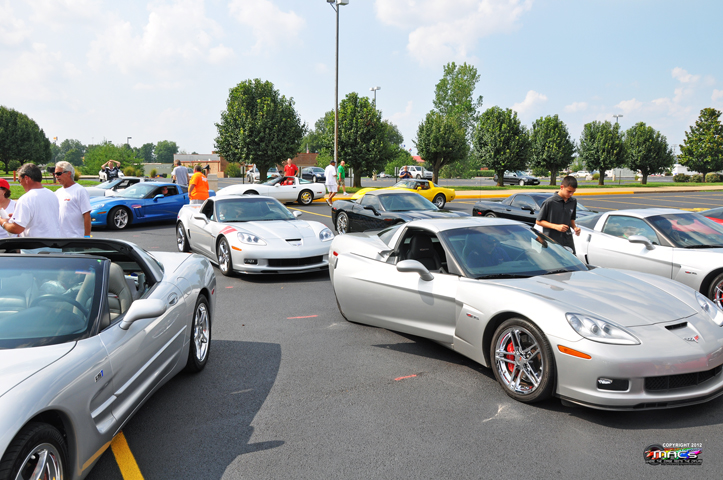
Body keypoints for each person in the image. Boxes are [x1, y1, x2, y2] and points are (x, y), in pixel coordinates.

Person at [0, 163, 61, 237]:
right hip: (54, 242)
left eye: (19, 180)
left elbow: (16, 229)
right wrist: (21, 216)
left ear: (26, 178)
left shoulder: (26, 199)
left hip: (35, 243)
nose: (20, 184)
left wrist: (3, 222)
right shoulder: (52, 194)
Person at [536, 175, 580, 253]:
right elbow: (538, 221)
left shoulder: (573, 201)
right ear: (561, 187)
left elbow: (571, 218)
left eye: (573, 192)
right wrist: (556, 226)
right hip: (551, 240)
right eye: (569, 191)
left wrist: (575, 227)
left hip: (567, 239)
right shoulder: (549, 202)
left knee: (570, 258)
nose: (571, 194)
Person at [55, 161, 91, 238]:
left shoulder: (80, 191)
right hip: (59, 239)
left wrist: (87, 236)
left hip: (75, 239)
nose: (56, 176)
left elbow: (87, 215)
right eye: (55, 174)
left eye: (59, 173)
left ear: (69, 173)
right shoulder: (57, 192)